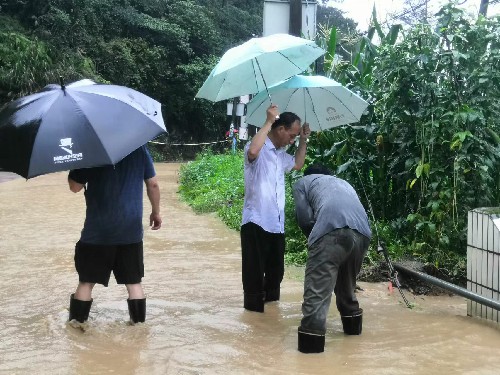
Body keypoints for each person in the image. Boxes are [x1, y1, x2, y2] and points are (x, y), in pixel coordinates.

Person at [67, 145, 162, 325]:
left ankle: (77, 328)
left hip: (98, 231)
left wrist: (77, 165)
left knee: (86, 282)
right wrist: (156, 212)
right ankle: (139, 328)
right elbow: (153, 184)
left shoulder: (91, 151)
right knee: (134, 283)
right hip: (131, 230)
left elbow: (74, 187)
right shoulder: (139, 148)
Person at [292, 163, 372, 353]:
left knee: (316, 296)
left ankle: (310, 358)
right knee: (347, 290)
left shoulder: (303, 182)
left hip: (332, 231)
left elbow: (304, 219)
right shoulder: (343, 183)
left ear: (309, 174)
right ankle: (353, 344)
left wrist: (315, 243)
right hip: (362, 235)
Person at [241, 104, 310, 313]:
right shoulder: (259, 149)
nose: (292, 141)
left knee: (275, 275)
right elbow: (253, 151)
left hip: (276, 225)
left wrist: (304, 140)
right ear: (280, 129)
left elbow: (297, 164)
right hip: (256, 222)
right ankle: (254, 318)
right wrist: (269, 121)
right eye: (292, 136)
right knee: (254, 276)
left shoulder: (281, 155)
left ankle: (270, 322)